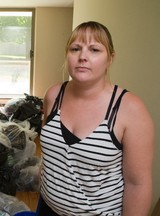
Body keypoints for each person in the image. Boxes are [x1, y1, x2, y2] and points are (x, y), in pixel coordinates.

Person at [37, 21, 154, 215]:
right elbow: (50, 157)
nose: (82, 57)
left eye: (94, 50)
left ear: (110, 58)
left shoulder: (130, 109)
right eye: (75, 49)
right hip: (47, 208)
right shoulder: (53, 95)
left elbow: (137, 184)